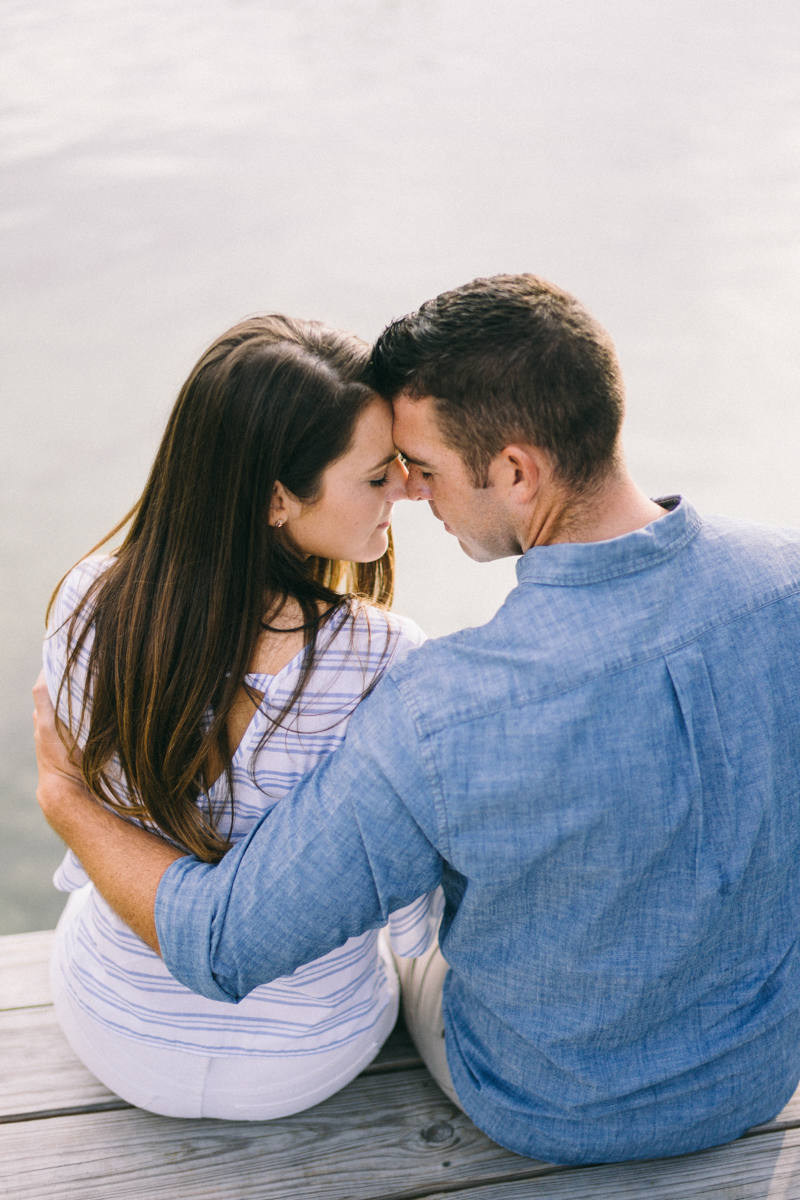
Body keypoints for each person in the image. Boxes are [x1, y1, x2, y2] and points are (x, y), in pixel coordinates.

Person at [34, 273, 800, 1165]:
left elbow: (224, 940)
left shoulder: (448, 706)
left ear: (516, 471)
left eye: (425, 470)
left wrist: (64, 795)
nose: (415, 496)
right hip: (755, 1074)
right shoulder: (785, 581)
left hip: (548, 1101)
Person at [40, 313, 440, 1121]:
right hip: (305, 1061)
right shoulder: (386, 659)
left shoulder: (88, 600)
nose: (407, 487)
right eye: (376, 476)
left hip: (114, 1033)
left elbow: (88, 822)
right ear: (276, 500)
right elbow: (410, 923)